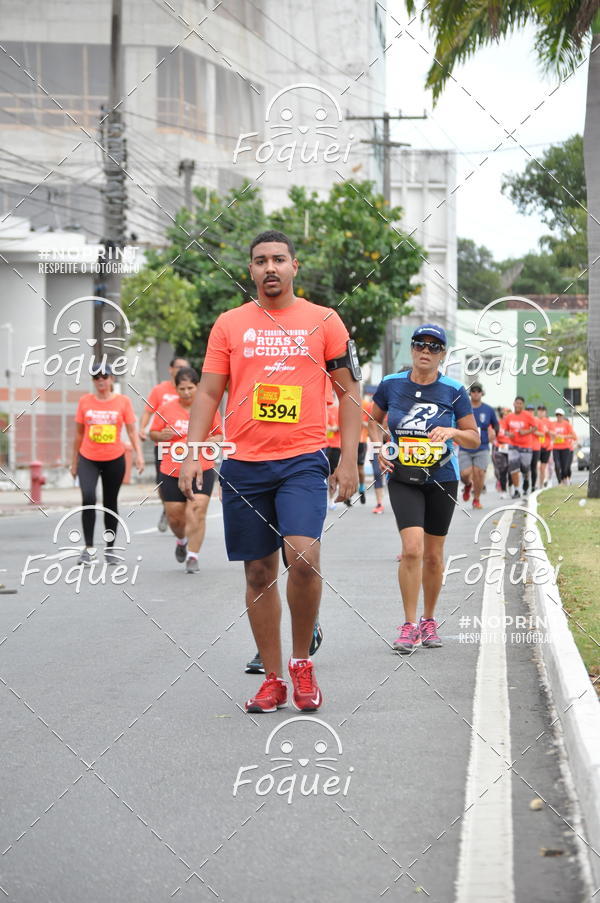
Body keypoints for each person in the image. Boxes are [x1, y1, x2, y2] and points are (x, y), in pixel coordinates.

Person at [179, 230, 361, 712]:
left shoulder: (324, 321)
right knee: (259, 572)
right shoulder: (229, 325)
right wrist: (193, 451)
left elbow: (348, 393)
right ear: (251, 271)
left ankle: (302, 663)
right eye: (261, 261)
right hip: (242, 463)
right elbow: (207, 393)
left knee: (301, 557)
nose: (270, 268)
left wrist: (348, 458)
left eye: (279, 259)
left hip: (302, 460)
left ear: (294, 266)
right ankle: (273, 677)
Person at [370, 324, 479, 654]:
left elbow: (473, 436)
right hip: (403, 476)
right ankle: (408, 623)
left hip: (442, 477)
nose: (426, 351)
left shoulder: (455, 390)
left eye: (434, 347)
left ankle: (429, 620)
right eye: (420, 345)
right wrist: (381, 450)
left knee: (433, 556)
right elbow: (373, 422)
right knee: (412, 548)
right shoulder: (390, 385)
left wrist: (451, 431)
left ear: (443, 354)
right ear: (412, 349)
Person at [149, 367, 222, 573]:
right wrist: (160, 436)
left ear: (198, 386)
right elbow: (153, 433)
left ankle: (193, 555)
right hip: (171, 469)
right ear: (176, 389)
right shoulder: (166, 409)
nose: (187, 392)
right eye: (182, 388)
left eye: (191, 387)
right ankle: (181, 541)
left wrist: (209, 440)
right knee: (176, 517)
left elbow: (220, 435)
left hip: (202, 466)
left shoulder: (209, 408)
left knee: (197, 511)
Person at [70, 365, 144, 565]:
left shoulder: (123, 402)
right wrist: (73, 461)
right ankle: (88, 548)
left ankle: (110, 549)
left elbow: (131, 431)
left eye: (104, 376)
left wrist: (139, 455)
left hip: (114, 458)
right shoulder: (85, 402)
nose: (100, 380)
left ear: (112, 379)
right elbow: (78, 434)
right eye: (96, 377)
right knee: (88, 498)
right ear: (93, 380)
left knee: (110, 503)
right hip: (88, 457)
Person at [139, 356, 190, 531]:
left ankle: (180, 509)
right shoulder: (160, 390)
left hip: (186, 446)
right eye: (179, 367)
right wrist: (142, 429)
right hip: (163, 446)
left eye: (185, 367)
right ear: (171, 369)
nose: (182, 370)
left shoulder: (189, 389)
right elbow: (148, 411)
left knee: (186, 479)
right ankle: (167, 507)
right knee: (162, 483)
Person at [459, 383, 499, 509]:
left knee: (479, 473)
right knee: (465, 474)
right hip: (465, 446)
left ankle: (476, 499)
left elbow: (496, 424)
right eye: (473, 391)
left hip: (482, 447)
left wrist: (494, 434)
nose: (476, 393)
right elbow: (455, 423)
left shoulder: (488, 409)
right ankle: (467, 485)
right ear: (470, 393)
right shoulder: (463, 408)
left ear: (482, 393)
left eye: (478, 391)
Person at [500, 397, 537, 498]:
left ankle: (526, 479)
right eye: (517, 403)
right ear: (514, 404)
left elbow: (535, 428)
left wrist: (526, 432)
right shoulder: (509, 417)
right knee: (513, 469)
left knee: (525, 468)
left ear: (523, 405)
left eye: (520, 403)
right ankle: (517, 490)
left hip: (526, 447)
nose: (518, 405)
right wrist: (509, 434)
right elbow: (505, 430)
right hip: (513, 446)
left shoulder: (528, 416)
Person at [551, 408, 578, 485]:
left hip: (565, 448)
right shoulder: (553, 424)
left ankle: (564, 480)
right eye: (557, 415)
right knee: (557, 465)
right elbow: (548, 432)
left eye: (560, 415)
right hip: (555, 448)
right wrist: (552, 434)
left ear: (563, 416)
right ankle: (560, 481)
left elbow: (574, 436)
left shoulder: (567, 424)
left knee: (565, 467)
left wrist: (563, 437)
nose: (558, 417)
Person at [325, 395, 341, 510]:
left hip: (335, 445)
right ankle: (322, 499)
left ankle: (331, 500)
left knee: (332, 475)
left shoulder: (337, 410)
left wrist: (332, 428)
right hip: (323, 445)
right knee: (321, 473)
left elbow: (339, 427)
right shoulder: (321, 409)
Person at [536, 405, 553, 487]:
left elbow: (554, 435)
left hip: (546, 447)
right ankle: (537, 483)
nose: (541, 412)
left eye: (543, 410)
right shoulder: (534, 420)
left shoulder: (549, 422)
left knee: (543, 468)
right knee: (536, 466)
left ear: (545, 412)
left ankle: (541, 485)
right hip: (536, 447)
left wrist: (547, 431)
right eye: (539, 410)